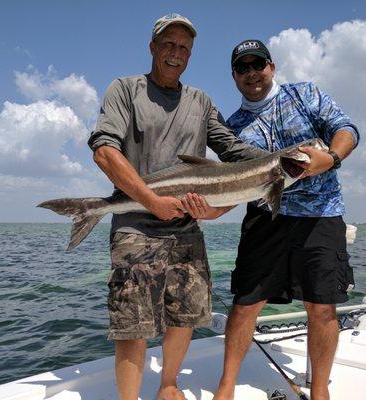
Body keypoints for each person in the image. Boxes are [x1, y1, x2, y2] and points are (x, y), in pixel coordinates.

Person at [87, 15, 267, 400]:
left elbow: (234, 153)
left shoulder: (201, 102)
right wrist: (152, 201)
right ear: (152, 47)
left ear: (191, 54)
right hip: (135, 226)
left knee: (185, 314)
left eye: (184, 47)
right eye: (168, 44)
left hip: (187, 230)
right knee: (132, 323)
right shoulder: (125, 89)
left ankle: (168, 385)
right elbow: (104, 150)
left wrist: (280, 162)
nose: (175, 53)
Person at [182, 39, 360, 400]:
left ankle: (321, 389)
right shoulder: (232, 128)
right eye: (242, 68)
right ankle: (226, 384)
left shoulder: (305, 94)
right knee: (245, 303)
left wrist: (332, 159)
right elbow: (234, 189)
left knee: (322, 306)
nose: (252, 73)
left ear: (271, 66)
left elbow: (346, 130)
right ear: (234, 76)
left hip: (321, 215)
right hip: (266, 219)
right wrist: (210, 211)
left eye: (257, 64)